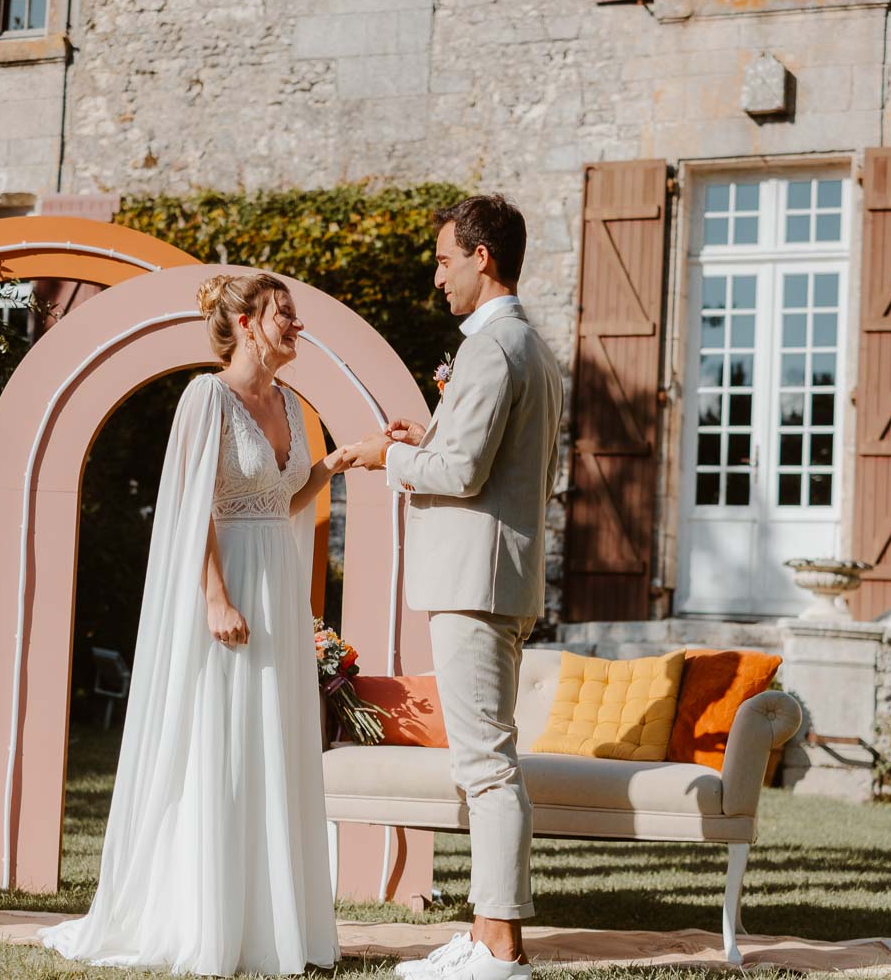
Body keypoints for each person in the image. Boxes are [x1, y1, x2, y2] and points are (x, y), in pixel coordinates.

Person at [40, 272, 346, 975]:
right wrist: (213, 596)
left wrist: (339, 461)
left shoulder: (292, 406)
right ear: (245, 323)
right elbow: (192, 505)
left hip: (278, 588)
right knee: (220, 741)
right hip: (227, 584)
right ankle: (205, 919)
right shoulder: (206, 397)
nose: (297, 327)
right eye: (285, 316)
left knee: (271, 743)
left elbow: (283, 498)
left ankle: (273, 927)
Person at [342, 195, 564, 980]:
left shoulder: (492, 349)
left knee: (486, 766)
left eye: (443, 261)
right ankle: (487, 934)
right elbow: (485, 461)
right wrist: (424, 438)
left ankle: (497, 946)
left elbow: (463, 474)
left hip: (476, 582)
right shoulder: (528, 346)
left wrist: (385, 458)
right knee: (487, 759)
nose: (436, 278)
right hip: (497, 575)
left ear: (482, 259)